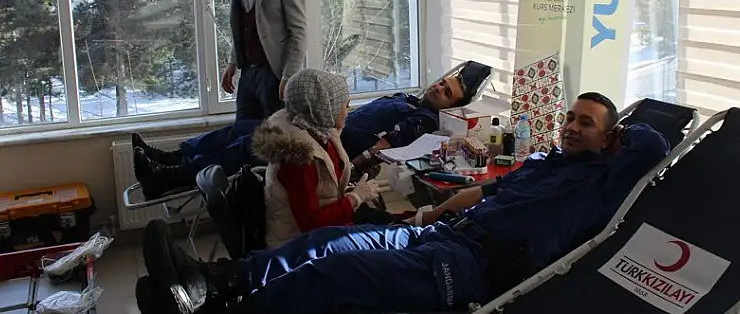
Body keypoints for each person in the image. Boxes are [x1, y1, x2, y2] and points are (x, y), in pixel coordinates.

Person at [135, 92, 672, 314]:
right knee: (330, 241)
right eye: (570, 117)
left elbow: (654, 146)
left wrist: (623, 132)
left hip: (474, 266)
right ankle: (217, 281)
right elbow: (483, 192)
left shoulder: (602, 185)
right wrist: (427, 213)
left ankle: (222, 309)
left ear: (611, 138)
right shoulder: (545, 163)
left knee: (339, 273)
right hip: (444, 233)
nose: (572, 126)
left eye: (587, 123)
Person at [131, 73, 470, 199]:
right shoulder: (407, 98)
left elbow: (382, 147)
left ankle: (169, 177)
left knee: (249, 146)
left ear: (453, 104)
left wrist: (349, 167)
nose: (439, 88)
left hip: (330, 145)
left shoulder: (423, 120)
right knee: (241, 128)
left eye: (447, 92)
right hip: (319, 126)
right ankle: (173, 157)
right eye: (442, 83)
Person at [250, 68, 380, 248]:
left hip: (323, 233)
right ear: (326, 108)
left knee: (390, 224)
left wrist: (351, 193)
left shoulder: (318, 133)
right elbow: (310, 224)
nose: (348, 110)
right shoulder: (299, 158)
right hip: (300, 247)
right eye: (346, 104)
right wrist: (356, 197)